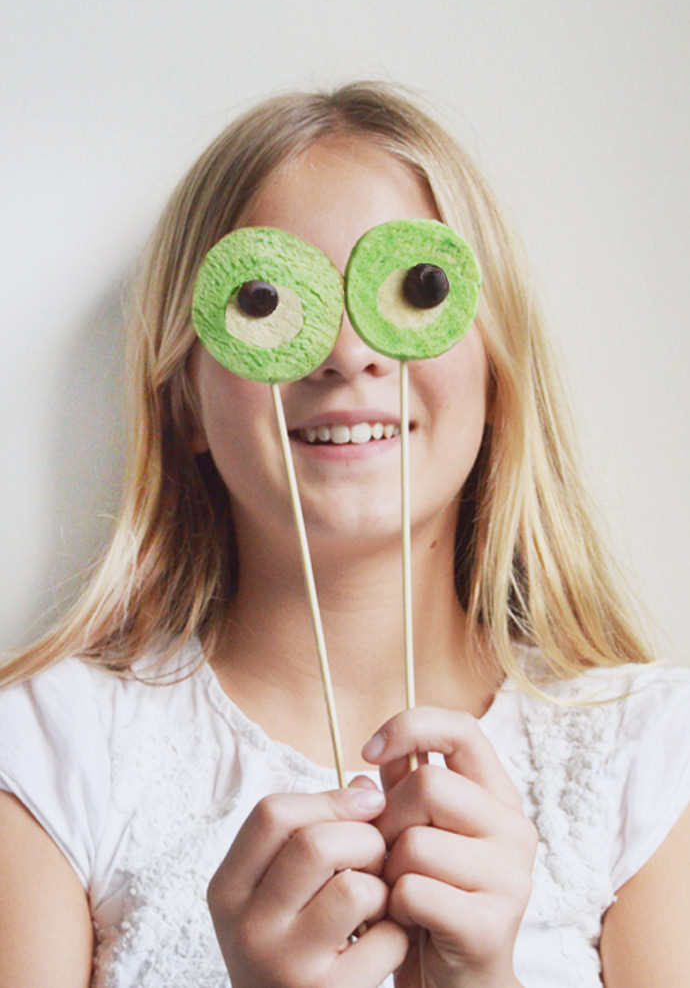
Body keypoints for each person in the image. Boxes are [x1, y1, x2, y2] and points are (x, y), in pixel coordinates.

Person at [0, 82, 688, 988]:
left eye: (416, 288)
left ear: (496, 368)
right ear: (186, 402)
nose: (346, 352)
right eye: (267, 302)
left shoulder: (648, 756)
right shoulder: (51, 755)